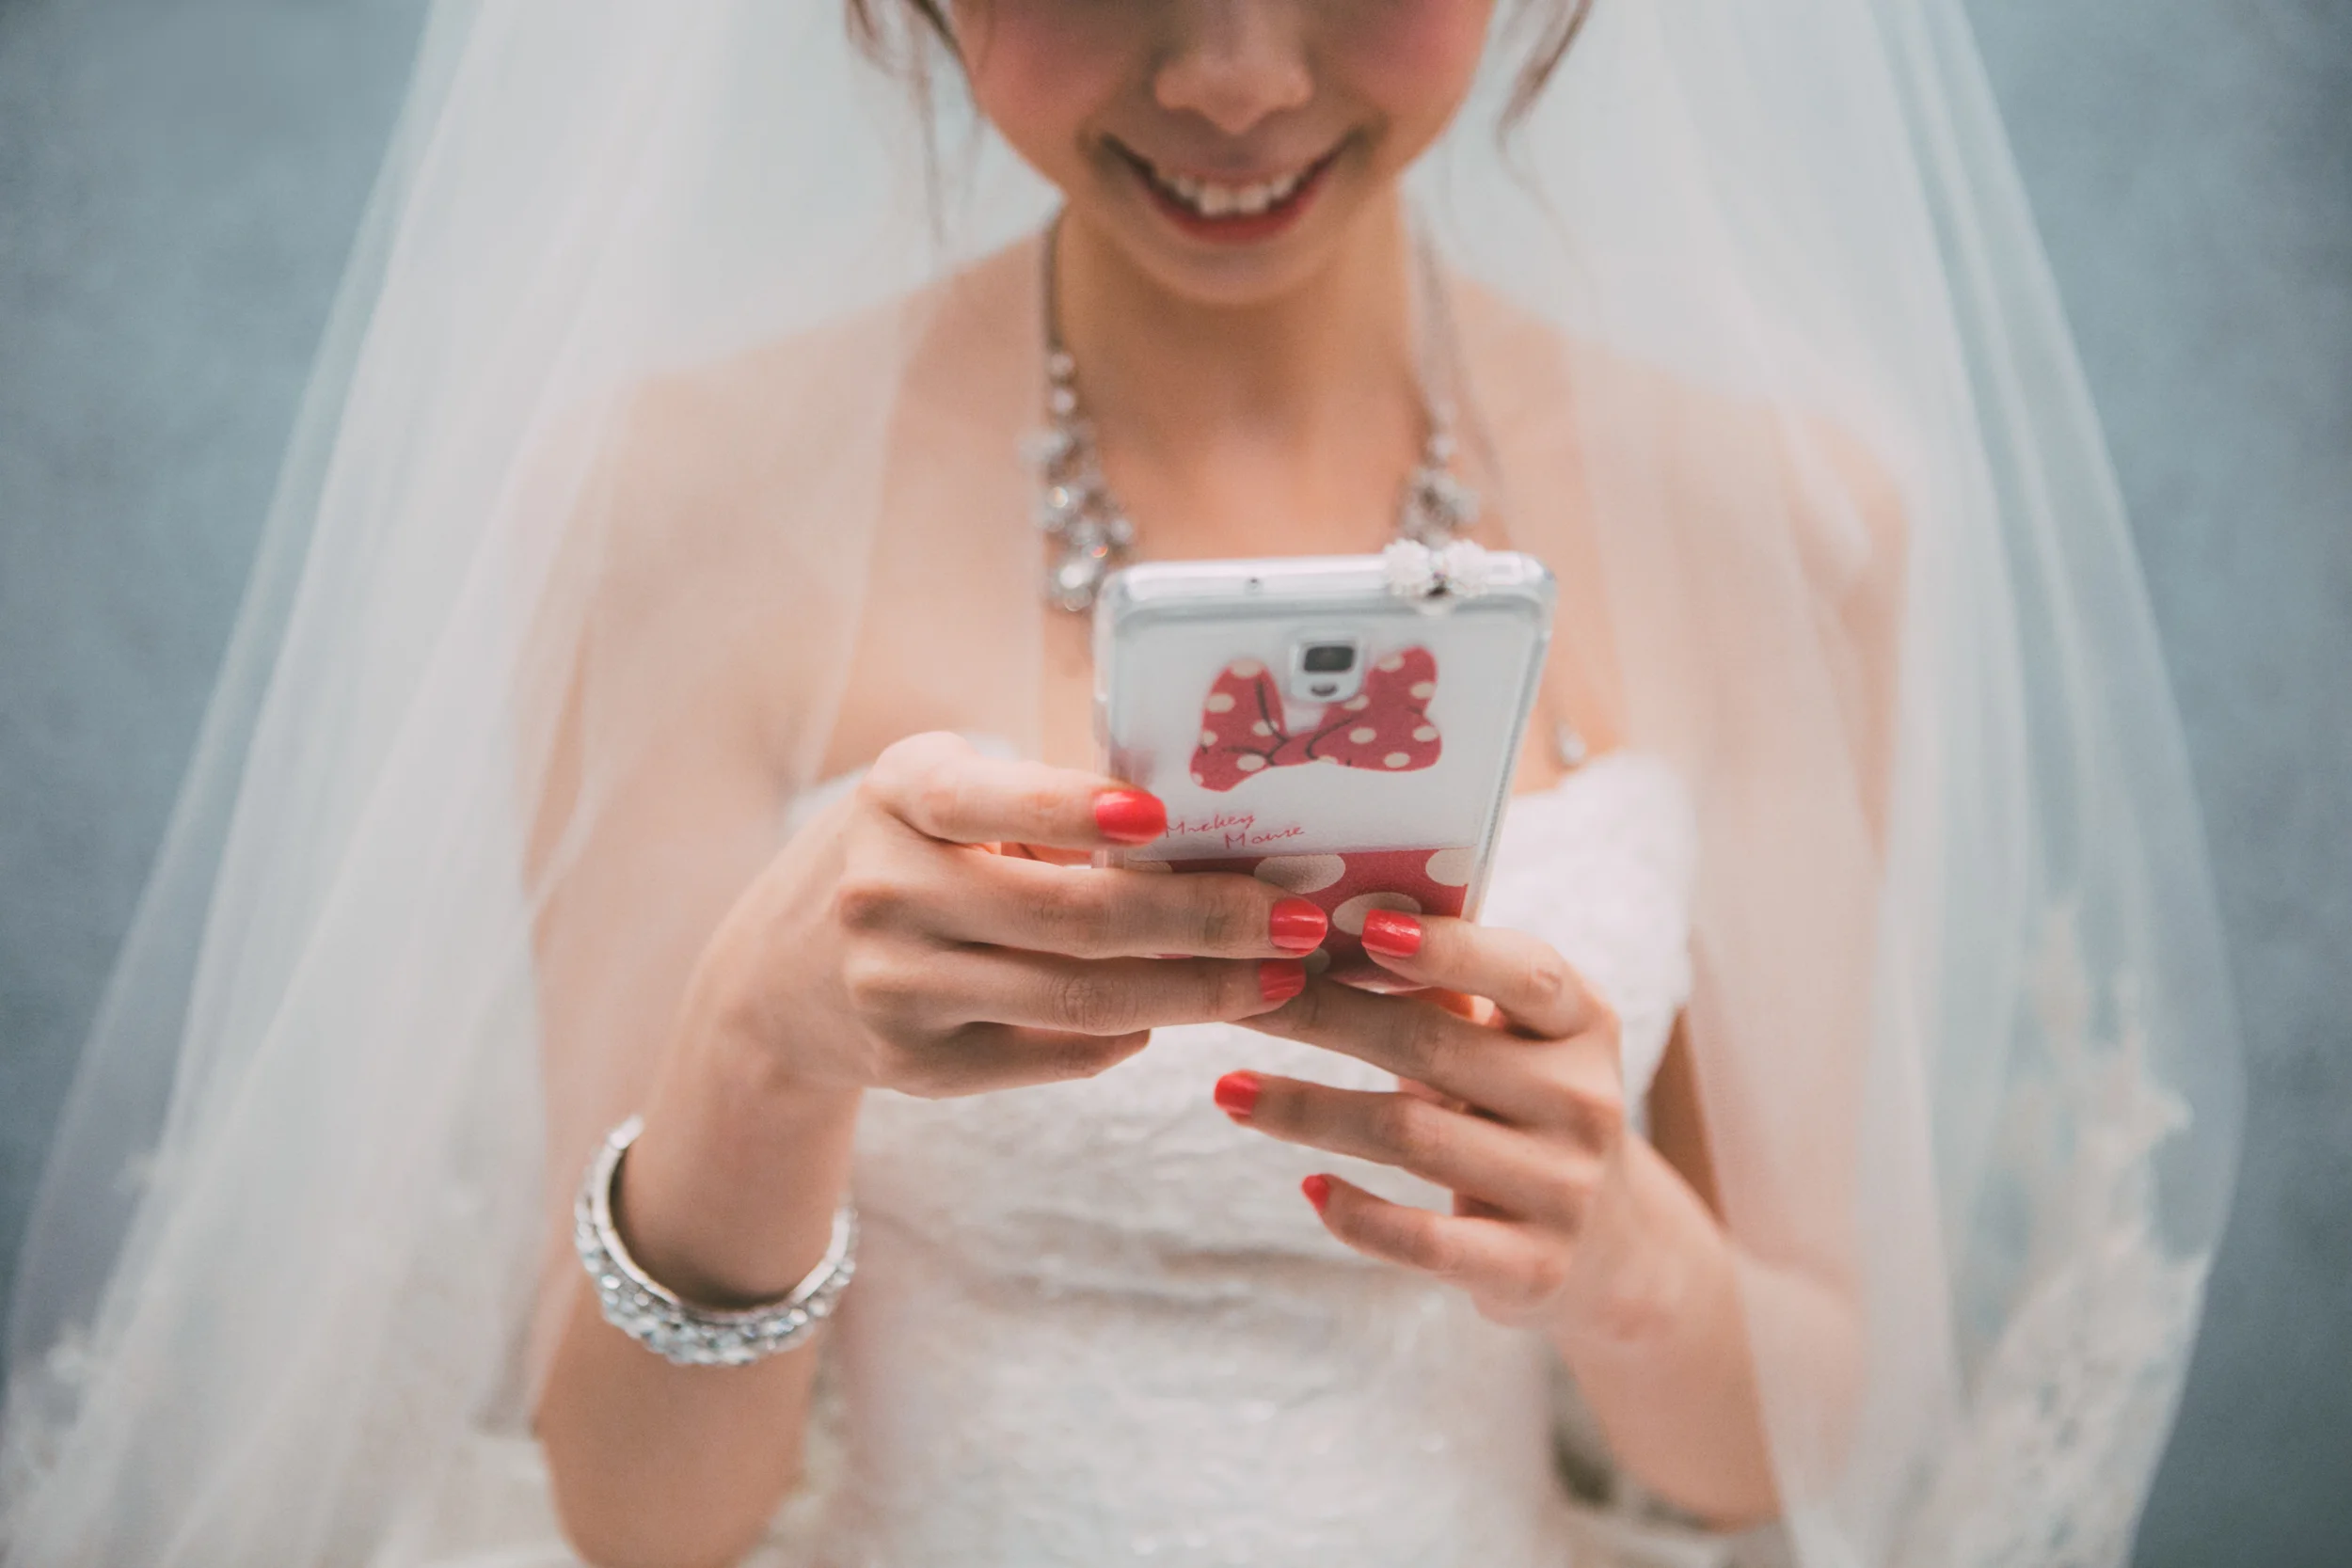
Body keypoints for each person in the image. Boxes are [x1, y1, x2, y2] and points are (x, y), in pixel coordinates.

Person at [1, 4, 2241, 1567]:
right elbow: (637, 1511)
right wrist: (761, 1044)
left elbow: (1783, 1458)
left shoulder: (1785, 514)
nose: (1237, 76)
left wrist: (1611, 1238)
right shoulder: (667, 506)